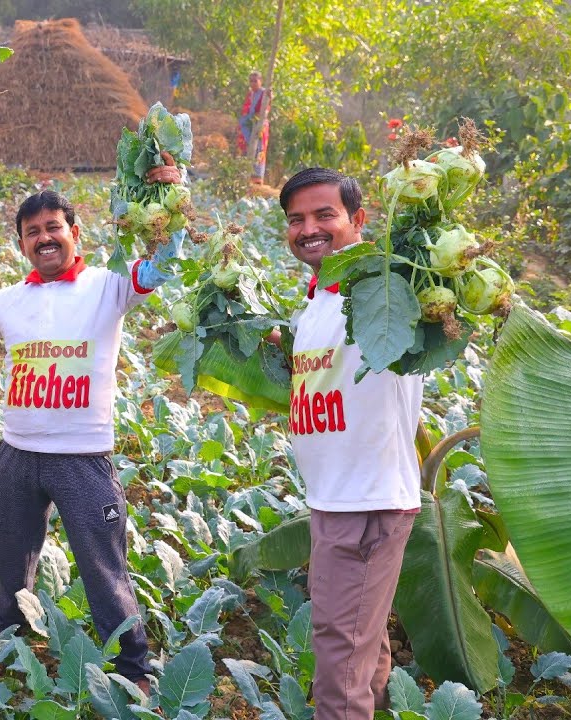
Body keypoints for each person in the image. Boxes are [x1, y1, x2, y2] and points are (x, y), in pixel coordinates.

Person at [0, 166, 183, 696]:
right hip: (17, 451)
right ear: (21, 244)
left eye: (53, 227)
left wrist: (171, 195)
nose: (44, 238)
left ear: (74, 233)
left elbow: (162, 264)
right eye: (32, 232)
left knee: (102, 563)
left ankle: (133, 664)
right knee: (11, 551)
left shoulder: (109, 286)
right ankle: (12, 624)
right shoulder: (8, 300)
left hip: (82, 456)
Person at [278, 168, 421, 719]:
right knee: (363, 640)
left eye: (324, 215)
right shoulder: (319, 299)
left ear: (358, 220)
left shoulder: (383, 289)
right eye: (296, 219)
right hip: (335, 498)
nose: (308, 229)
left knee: (339, 655)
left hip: (367, 502)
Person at [238, 71, 271, 182]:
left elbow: (267, 105)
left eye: (255, 81)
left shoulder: (264, 92)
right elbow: (246, 111)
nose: (252, 83)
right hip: (249, 124)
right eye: (251, 81)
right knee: (248, 149)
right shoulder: (250, 94)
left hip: (260, 124)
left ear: (260, 81)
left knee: (259, 149)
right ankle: (248, 176)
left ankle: (258, 177)